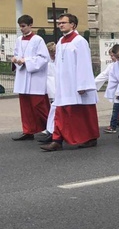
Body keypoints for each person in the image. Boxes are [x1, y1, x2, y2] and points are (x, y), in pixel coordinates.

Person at [41, 13, 99, 151]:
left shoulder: (79, 41)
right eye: (59, 22)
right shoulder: (61, 41)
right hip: (63, 84)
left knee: (83, 113)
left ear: (73, 24)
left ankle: (90, 137)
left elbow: (84, 64)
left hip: (76, 84)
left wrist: (82, 85)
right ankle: (57, 140)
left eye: (63, 22)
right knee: (60, 111)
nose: (60, 25)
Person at [11, 15, 50, 141]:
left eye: (23, 26)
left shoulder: (38, 40)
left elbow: (44, 58)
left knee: (39, 105)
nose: (21, 29)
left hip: (35, 78)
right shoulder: (18, 40)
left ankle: (52, 129)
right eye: (20, 26)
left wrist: (26, 61)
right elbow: (16, 53)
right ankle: (28, 130)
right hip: (23, 76)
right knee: (25, 106)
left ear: (30, 25)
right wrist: (15, 60)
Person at [38, 42, 57, 143]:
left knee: (54, 110)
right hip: (50, 88)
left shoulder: (58, 61)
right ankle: (51, 130)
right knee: (52, 109)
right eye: (51, 53)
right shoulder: (48, 61)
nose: (52, 55)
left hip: (57, 88)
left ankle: (51, 130)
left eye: (54, 53)